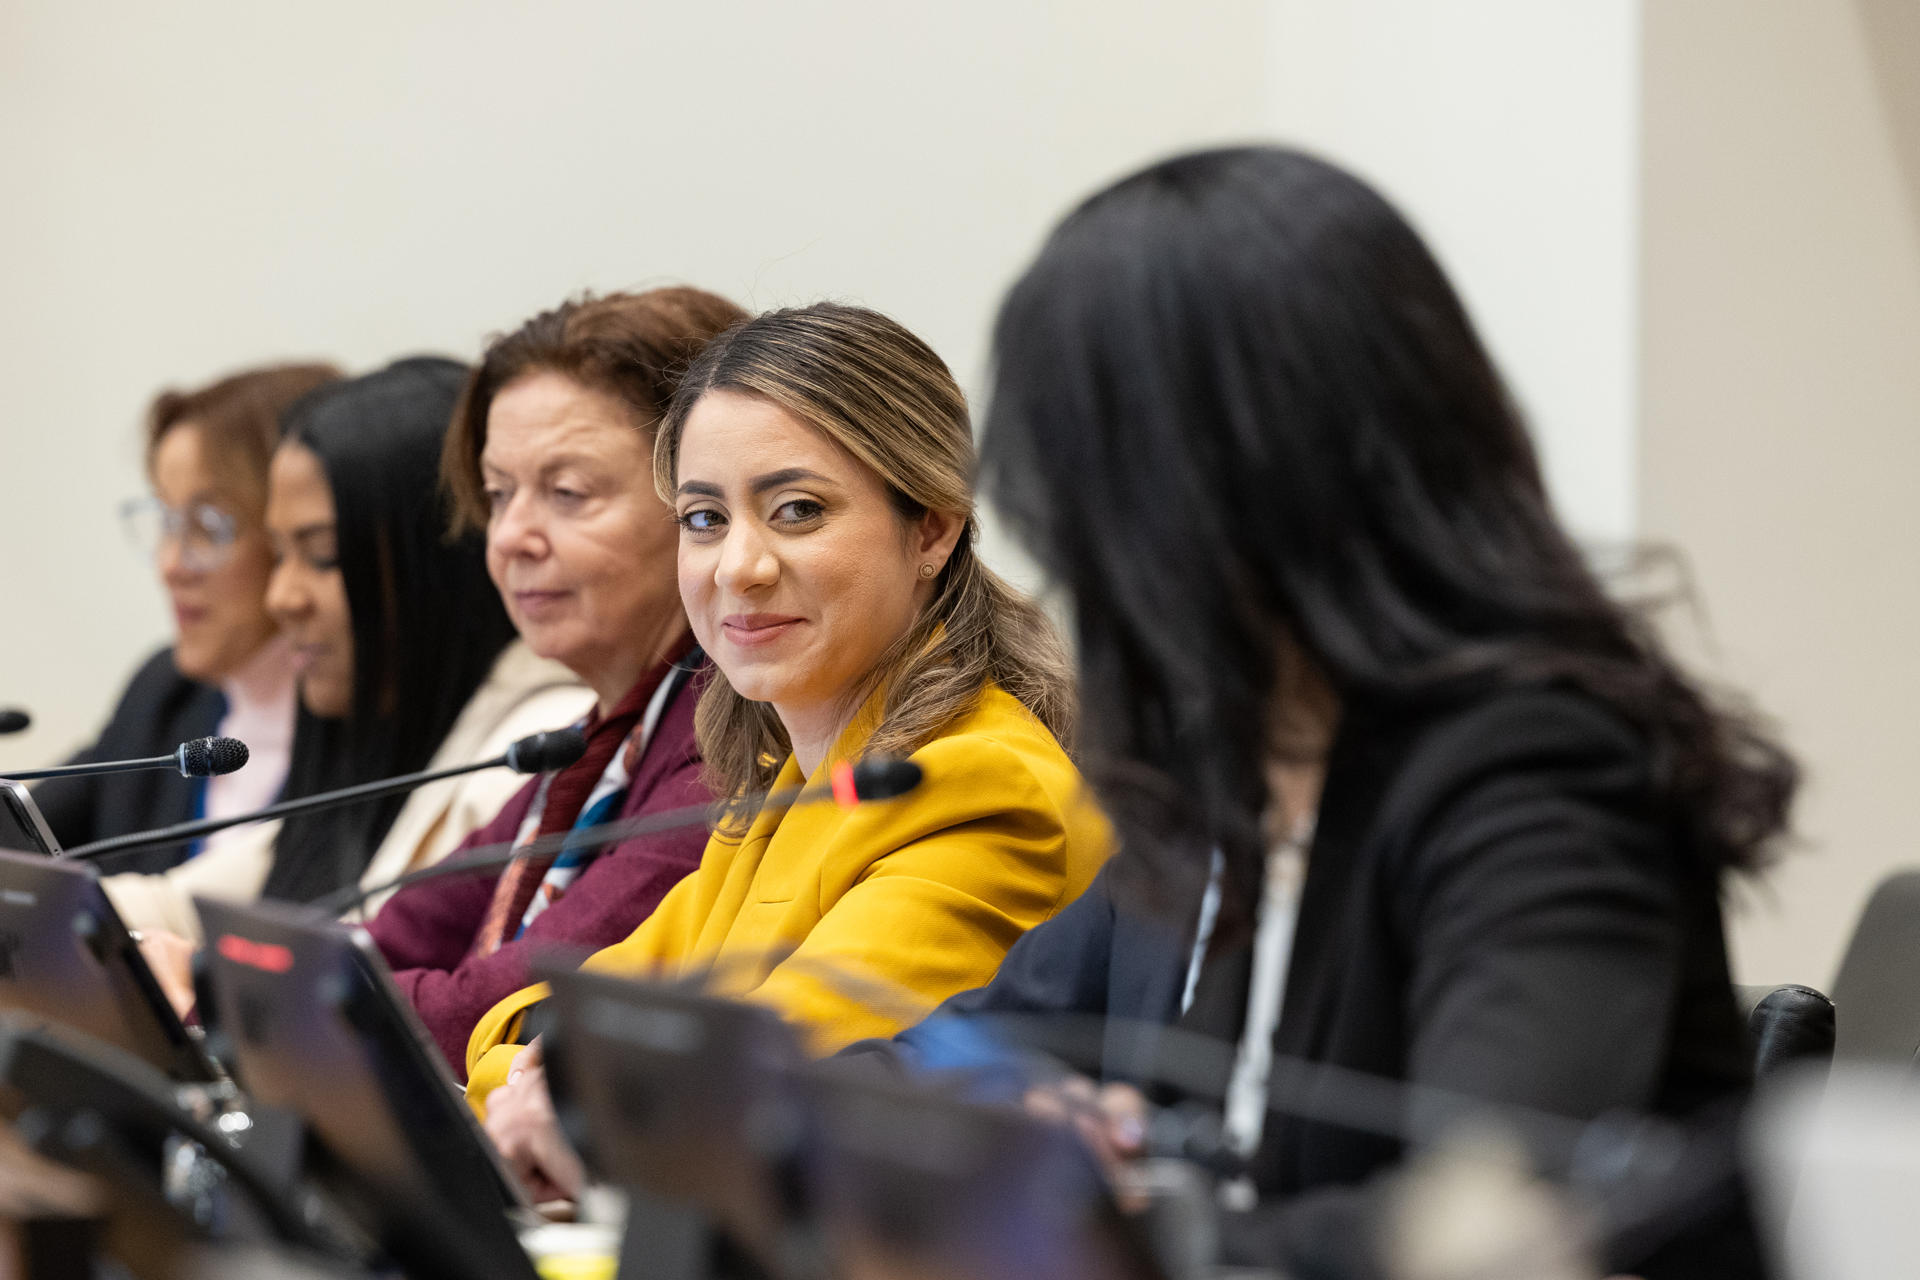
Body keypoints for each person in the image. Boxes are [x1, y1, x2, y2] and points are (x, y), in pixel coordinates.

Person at [868, 147, 1799, 1280]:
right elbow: (987, 1034)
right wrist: (1013, 1116)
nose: (1080, 554)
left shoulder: (1541, 768)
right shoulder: (1227, 765)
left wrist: (1133, 1230)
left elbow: (1484, 1222)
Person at [476, 302, 1111, 1201]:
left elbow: (744, 1100)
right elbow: (510, 1031)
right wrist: (560, 1074)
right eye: (703, 518)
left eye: (797, 511)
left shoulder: (977, 784)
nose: (740, 565)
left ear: (930, 527)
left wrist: (565, 1083)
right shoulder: (777, 788)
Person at [363, 287, 747, 1074]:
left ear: (706, 507)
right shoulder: (600, 738)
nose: (509, 538)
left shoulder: (738, 732)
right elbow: (393, 941)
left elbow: (499, 1011)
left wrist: (233, 991)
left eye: (567, 493)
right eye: (499, 494)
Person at [108, 357, 593, 950]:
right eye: (280, 553)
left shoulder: (531, 749)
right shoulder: (385, 734)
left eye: (321, 555)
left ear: (434, 564)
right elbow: (186, 908)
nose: (281, 598)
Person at [31, 363, 339, 867]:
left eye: (208, 526)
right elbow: (25, 844)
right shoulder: (167, 694)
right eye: (167, 521)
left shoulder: (358, 733)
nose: (171, 565)